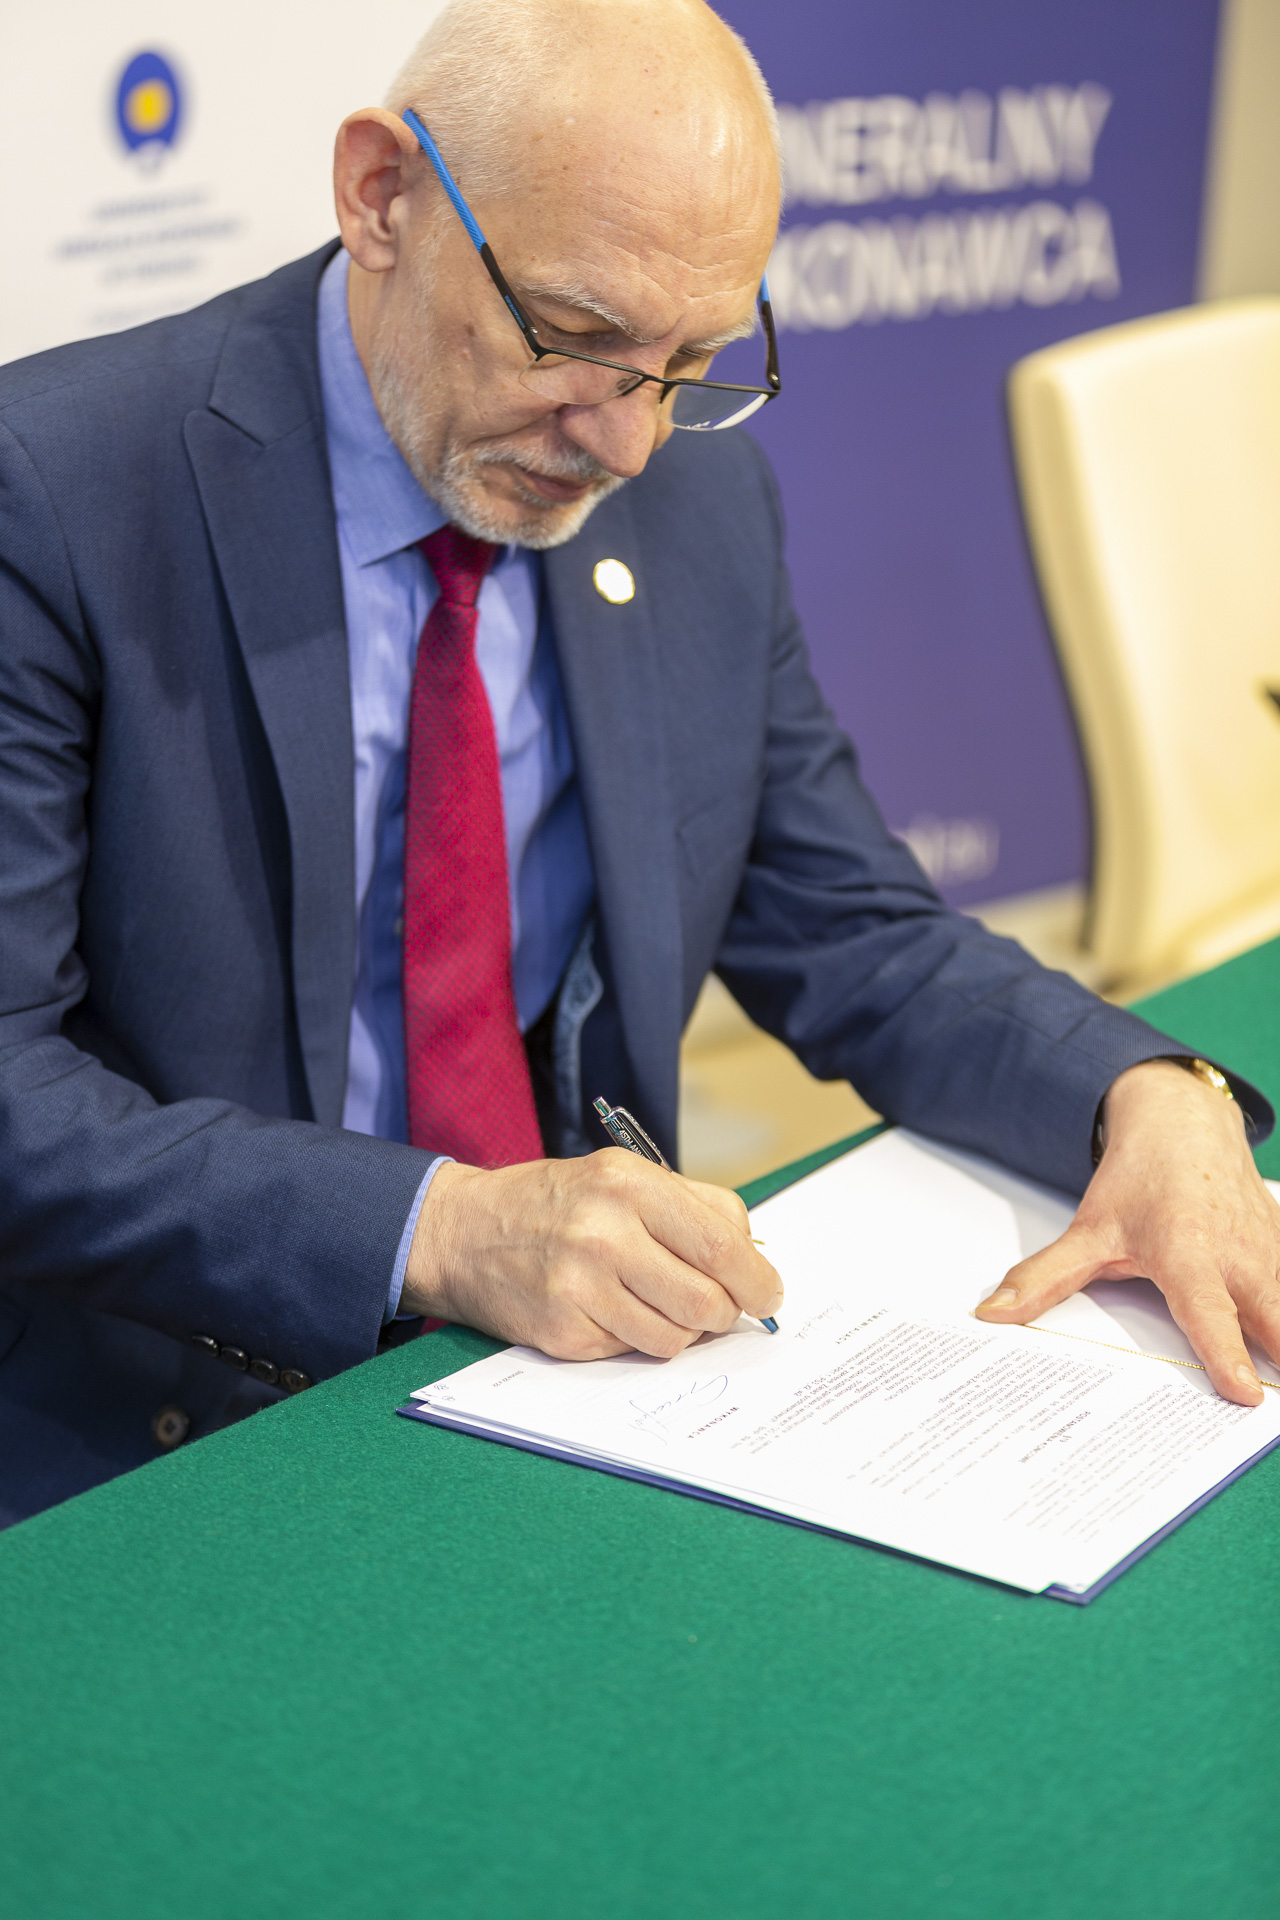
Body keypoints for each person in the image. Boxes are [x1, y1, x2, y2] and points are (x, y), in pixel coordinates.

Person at [1, 0, 1277, 1528]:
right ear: (381, 196)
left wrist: (1146, 1093)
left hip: (573, 1382)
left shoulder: (697, 504)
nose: (627, 444)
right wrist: (440, 1229)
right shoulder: (58, 495)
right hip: (158, 1412)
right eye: (576, 336)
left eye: (695, 360)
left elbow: (853, 929)